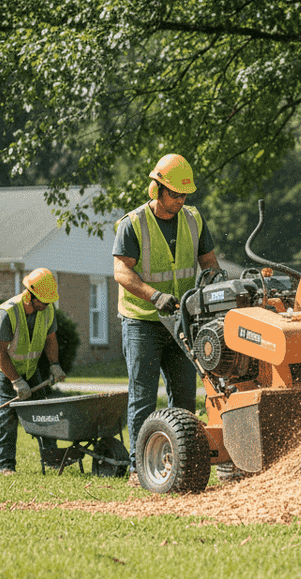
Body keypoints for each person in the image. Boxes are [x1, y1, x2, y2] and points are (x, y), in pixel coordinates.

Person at [113, 153, 220, 486]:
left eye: (184, 195)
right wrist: (153, 294)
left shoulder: (193, 220)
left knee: (185, 395)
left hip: (181, 321)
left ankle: (181, 462)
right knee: (143, 395)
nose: (180, 200)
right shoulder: (133, 223)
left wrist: (217, 284)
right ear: (156, 188)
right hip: (142, 320)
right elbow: (120, 270)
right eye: (174, 194)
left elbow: (209, 262)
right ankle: (137, 467)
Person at [0, 267, 66, 475]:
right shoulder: (6, 312)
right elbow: (0, 352)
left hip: (29, 367)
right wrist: (16, 381)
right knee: (7, 412)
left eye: (49, 301)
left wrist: (54, 364)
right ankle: (5, 465)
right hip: (0, 366)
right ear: (29, 295)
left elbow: (50, 339)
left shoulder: (47, 310)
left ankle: (52, 459)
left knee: (42, 409)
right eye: (43, 302)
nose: (47, 305)